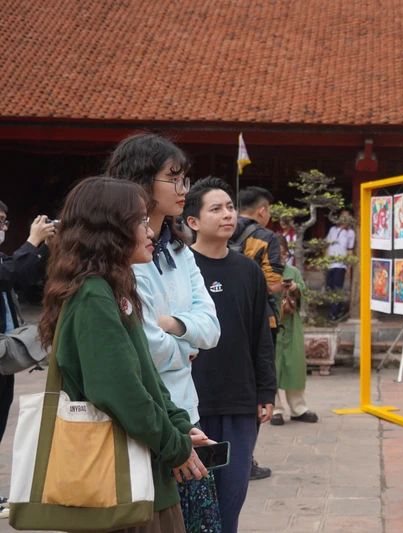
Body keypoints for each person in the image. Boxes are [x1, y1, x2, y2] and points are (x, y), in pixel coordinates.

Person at [37, 176, 211, 533]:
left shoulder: (114, 288)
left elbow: (146, 375)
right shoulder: (93, 296)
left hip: (142, 477)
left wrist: (179, 425)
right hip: (119, 485)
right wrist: (172, 444)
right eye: (141, 221)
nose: (150, 230)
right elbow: (119, 390)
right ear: (109, 229)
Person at [106, 133, 223, 533]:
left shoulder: (179, 249)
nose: (183, 189)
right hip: (142, 421)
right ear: (140, 181)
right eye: (173, 178)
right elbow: (142, 347)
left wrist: (172, 326)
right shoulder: (119, 257)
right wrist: (186, 348)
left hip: (185, 411)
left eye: (185, 179)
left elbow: (212, 328)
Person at [183, 177, 276, 533]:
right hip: (190, 403)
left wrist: (266, 391)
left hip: (239, 400)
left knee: (230, 500)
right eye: (216, 209)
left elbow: (260, 335)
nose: (228, 215)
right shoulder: (180, 268)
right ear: (193, 221)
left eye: (230, 207)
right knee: (192, 501)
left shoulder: (248, 269)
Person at [0, 207, 54, 519]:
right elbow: (9, 274)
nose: (4, 228)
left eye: (5, 222)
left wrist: (44, 246)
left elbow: (21, 277)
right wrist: (33, 241)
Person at [230, 186, 283, 481]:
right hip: (258, 320)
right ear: (262, 210)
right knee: (256, 390)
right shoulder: (266, 237)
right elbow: (273, 283)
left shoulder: (215, 230)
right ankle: (244, 458)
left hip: (217, 319)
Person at [271, 235, 318, 426]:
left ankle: (298, 408)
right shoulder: (263, 270)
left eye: (284, 254)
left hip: (291, 323)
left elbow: (304, 294)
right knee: (271, 366)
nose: (281, 257)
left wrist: (295, 287)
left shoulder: (293, 271)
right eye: (278, 254)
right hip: (271, 323)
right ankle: (275, 409)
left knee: (295, 365)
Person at [325, 210, 355, 322]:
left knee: (337, 288)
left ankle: (333, 312)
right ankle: (339, 307)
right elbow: (327, 245)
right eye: (343, 217)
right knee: (329, 287)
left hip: (341, 264)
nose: (345, 219)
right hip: (330, 263)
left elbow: (350, 250)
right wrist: (325, 261)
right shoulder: (332, 230)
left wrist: (349, 266)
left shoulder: (350, 233)